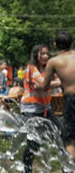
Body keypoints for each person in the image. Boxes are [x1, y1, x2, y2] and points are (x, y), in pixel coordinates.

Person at [20, 44, 62, 173]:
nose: (45, 56)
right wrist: (58, 81)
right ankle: (27, 169)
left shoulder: (46, 68)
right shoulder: (31, 68)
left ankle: (66, 166)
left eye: (46, 53)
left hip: (45, 108)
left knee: (61, 134)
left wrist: (52, 81)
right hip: (31, 109)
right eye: (42, 53)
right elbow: (43, 85)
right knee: (34, 142)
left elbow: (54, 79)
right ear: (35, 55)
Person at [38, 31, 75, 160]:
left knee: (69, 139)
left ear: (55, 44)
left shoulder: (53, 61)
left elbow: (45, 86)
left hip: (71, 99)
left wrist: (38, 86)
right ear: (71, 44)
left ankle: (70, 168)